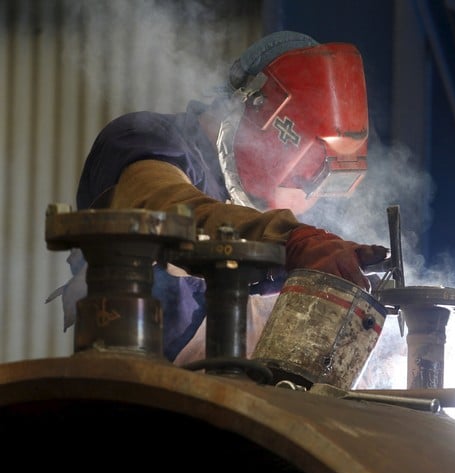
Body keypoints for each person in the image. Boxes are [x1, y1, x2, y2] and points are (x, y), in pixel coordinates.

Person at [49, 31, 388, 362]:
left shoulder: (250, 205)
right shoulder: (147, 139)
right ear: (263, 116)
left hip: (235, 397)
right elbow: (166, 208)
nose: (300, 199)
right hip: (136, 391)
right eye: (301, 176)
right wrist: (290, 240)